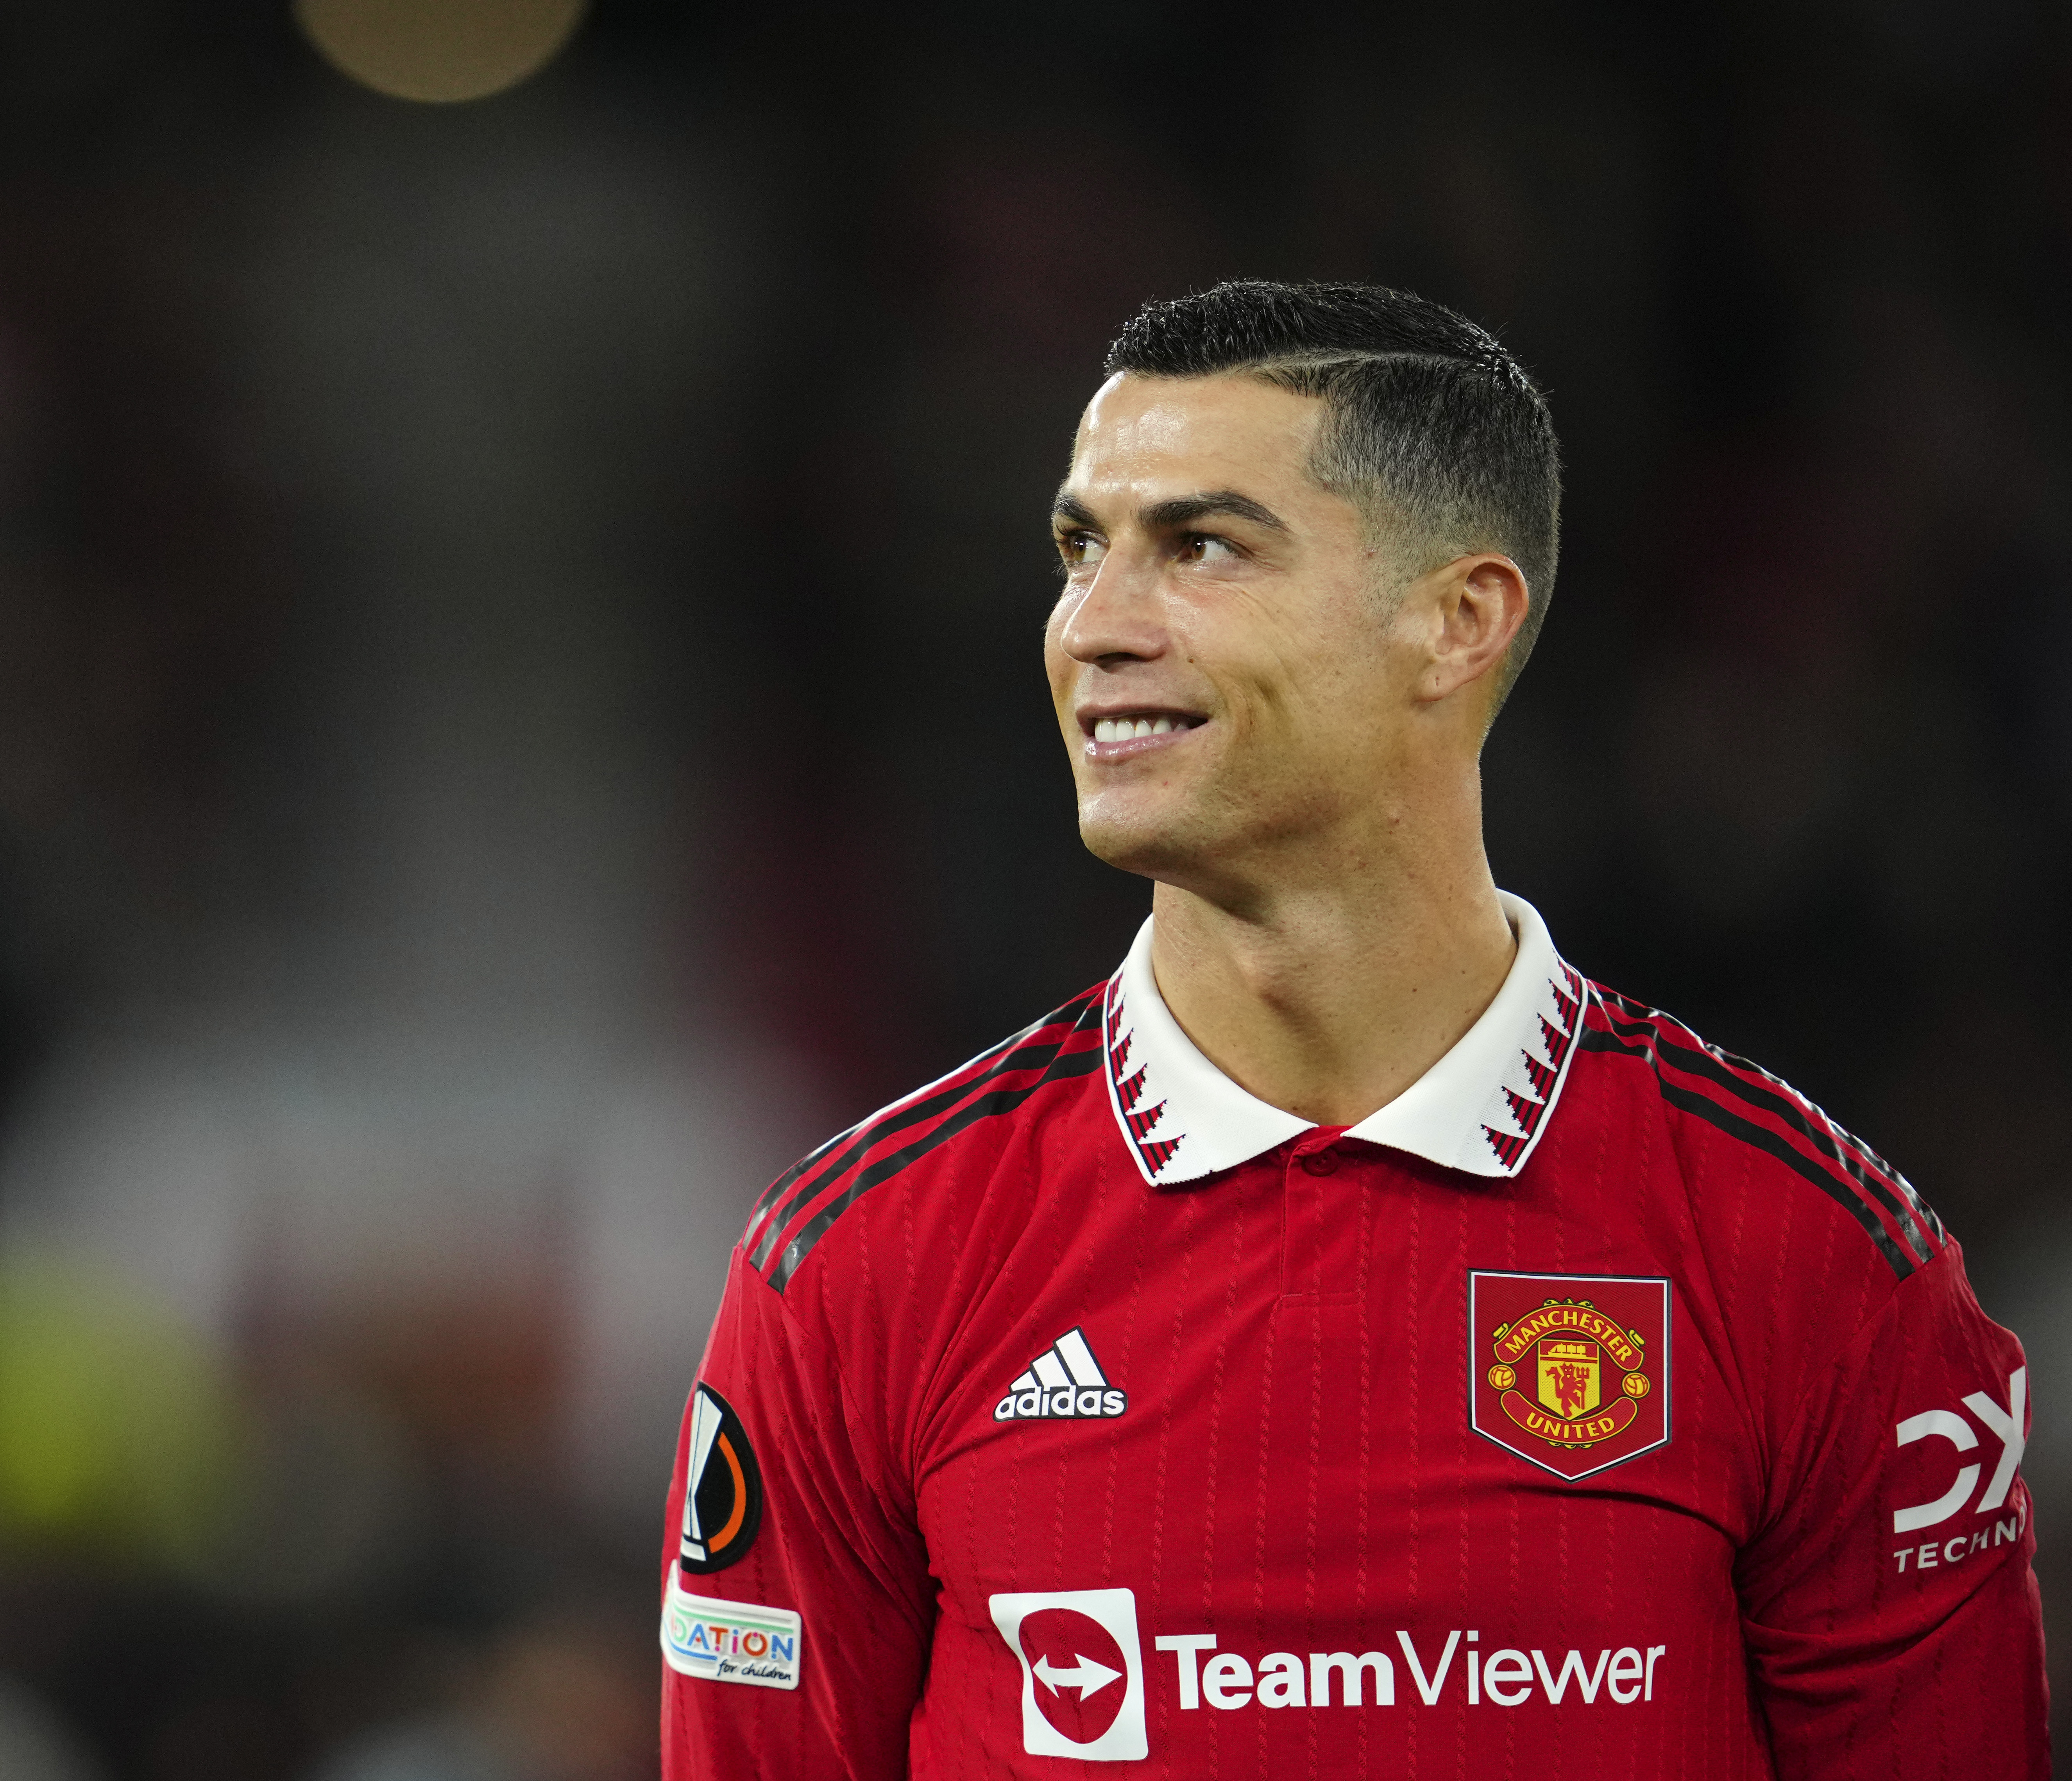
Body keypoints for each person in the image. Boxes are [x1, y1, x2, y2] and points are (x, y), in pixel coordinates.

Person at [657, 282, 2045, 1776]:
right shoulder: (860, 1264)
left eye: (1201, 546)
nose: (1095, 627)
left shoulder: (1817, 1260)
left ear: (1457, 620)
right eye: (1081, 549)